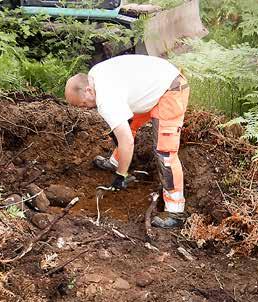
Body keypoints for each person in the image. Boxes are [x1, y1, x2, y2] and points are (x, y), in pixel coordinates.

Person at [64, 54, 190, 228]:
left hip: (170, 90)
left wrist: (120, 176)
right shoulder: (94, 75)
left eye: (83, 104)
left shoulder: (106, 99)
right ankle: (116, 161)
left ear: (88, 91)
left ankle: (176, 212)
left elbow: (127, 141)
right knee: (125, 124)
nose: (84, 108)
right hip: (154, 84)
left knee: (165, 153)